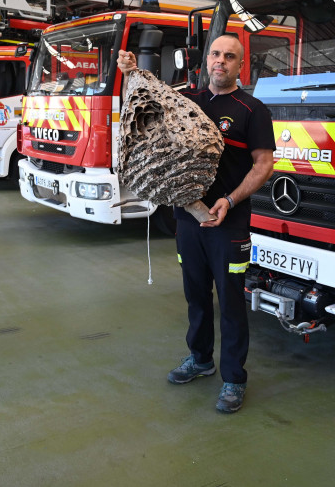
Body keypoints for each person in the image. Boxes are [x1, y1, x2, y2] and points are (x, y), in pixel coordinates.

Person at [117, 34, 275, 413]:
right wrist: (130, 73)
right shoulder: (187, 100)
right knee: (196, 297)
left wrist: (230, 199)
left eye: (230, 57)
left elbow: (264, 164)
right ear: (207, 60)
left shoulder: (252, 110)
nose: (221, 61)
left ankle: (234, 378)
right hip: (189, 221)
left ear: (240, 65)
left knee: (232, 302)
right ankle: (200, 360)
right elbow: (148, 108)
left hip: (229, 223)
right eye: (216, 54)